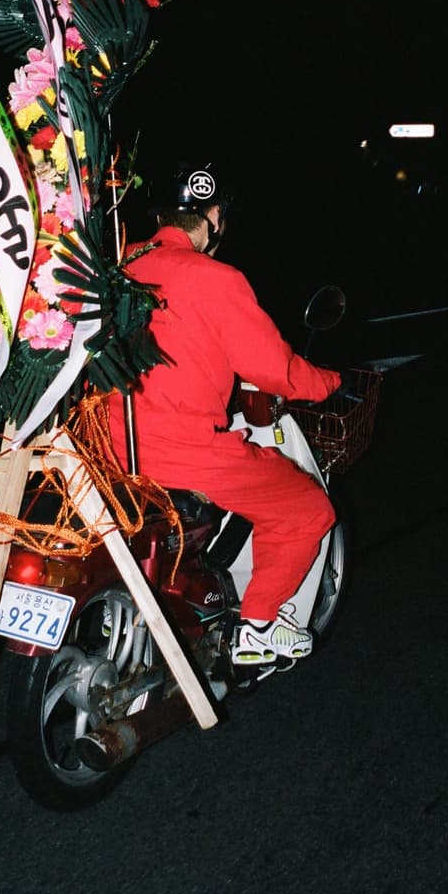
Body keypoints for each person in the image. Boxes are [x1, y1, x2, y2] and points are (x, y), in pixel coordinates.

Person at [106, 161, 342, 666]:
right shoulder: (215, 278)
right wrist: (327, 382)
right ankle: (257, 626)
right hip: (182, 453)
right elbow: (275, 370)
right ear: (211, 215)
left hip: (110, 443)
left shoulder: (118, 267)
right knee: (307, 509)